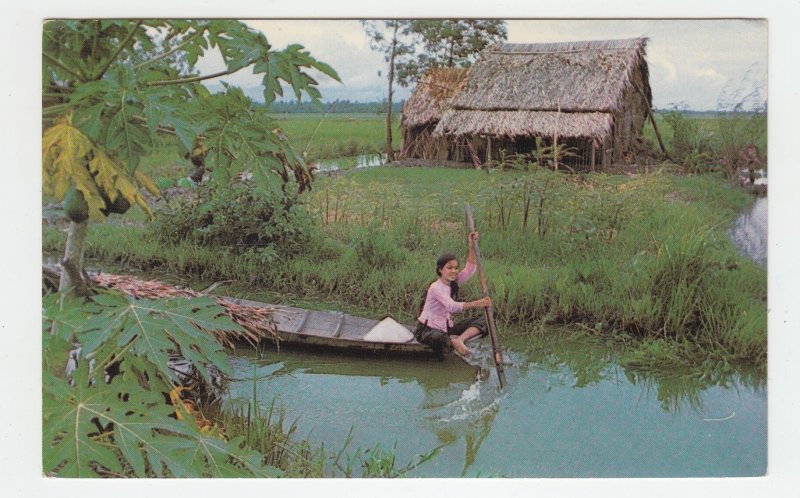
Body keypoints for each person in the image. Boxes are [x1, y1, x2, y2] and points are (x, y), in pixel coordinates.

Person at [414, 231, 491, 357]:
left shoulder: (454, 282)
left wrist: (471, 245)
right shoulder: (436, 287)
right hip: (427, 330)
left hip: (446, 328)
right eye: (449, 268)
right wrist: (477, 303)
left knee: (486, 321)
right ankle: (452, 341)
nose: (454, 271)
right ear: (440, 270)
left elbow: (470, 269)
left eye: (456, 268)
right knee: (438, 337)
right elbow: (451, 306)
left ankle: (459, 340)